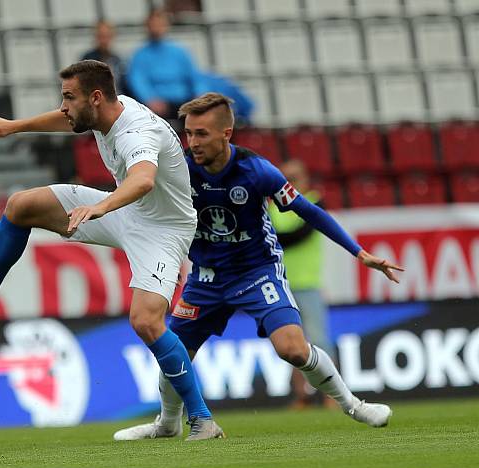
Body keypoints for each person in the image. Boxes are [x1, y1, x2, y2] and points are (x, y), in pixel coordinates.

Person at [0, 60, 223, 441]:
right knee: (20, 207)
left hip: (162, 229)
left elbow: (143, 180)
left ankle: (202, 420)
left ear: (95, 97)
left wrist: (101, 206)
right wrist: (15, 127)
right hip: (126, 210)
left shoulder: (136, 133)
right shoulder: (104, 111)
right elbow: (67, 121)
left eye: (68, 97)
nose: (63, 105)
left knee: (146, 321)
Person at [113, 93, 403, 440]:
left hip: (257, 272)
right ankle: (168, 423)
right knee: (173, 348)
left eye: (202, 134)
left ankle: (354, 405)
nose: (192, 143)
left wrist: (358, 252)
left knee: (293, 348)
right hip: (206, 277)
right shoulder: (180, 169)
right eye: (188, 133)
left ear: (227, 133)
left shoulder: (256, 170)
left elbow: (308, 211)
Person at [269, 159, 337, 410]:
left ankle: (332, 395)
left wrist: (273, 238)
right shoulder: (272, 208)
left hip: (308, 283)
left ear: (306, 179)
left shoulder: (314, 202)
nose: (291, 183)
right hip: (281, 284)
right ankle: (302, 396)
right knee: (291, 343)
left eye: (295, 178)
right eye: (287, 178)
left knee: (319, 340)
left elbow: (298, 235)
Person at [126, 8, 205, 119]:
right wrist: (150, 99)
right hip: (158, 105)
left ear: (166, 25)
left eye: (160, 24)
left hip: (183, 101)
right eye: (153, 25)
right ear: (147, 27)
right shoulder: (140, 55)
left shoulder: (180, 52)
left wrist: (199, 95)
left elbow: (195, 77)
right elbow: (138, 81)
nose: (156, 28)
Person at [80, 20, 126, 96]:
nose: (104, 40)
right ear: (96, 37)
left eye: (107, 36)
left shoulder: (117, 60)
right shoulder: (87, 60)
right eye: (101, 36)